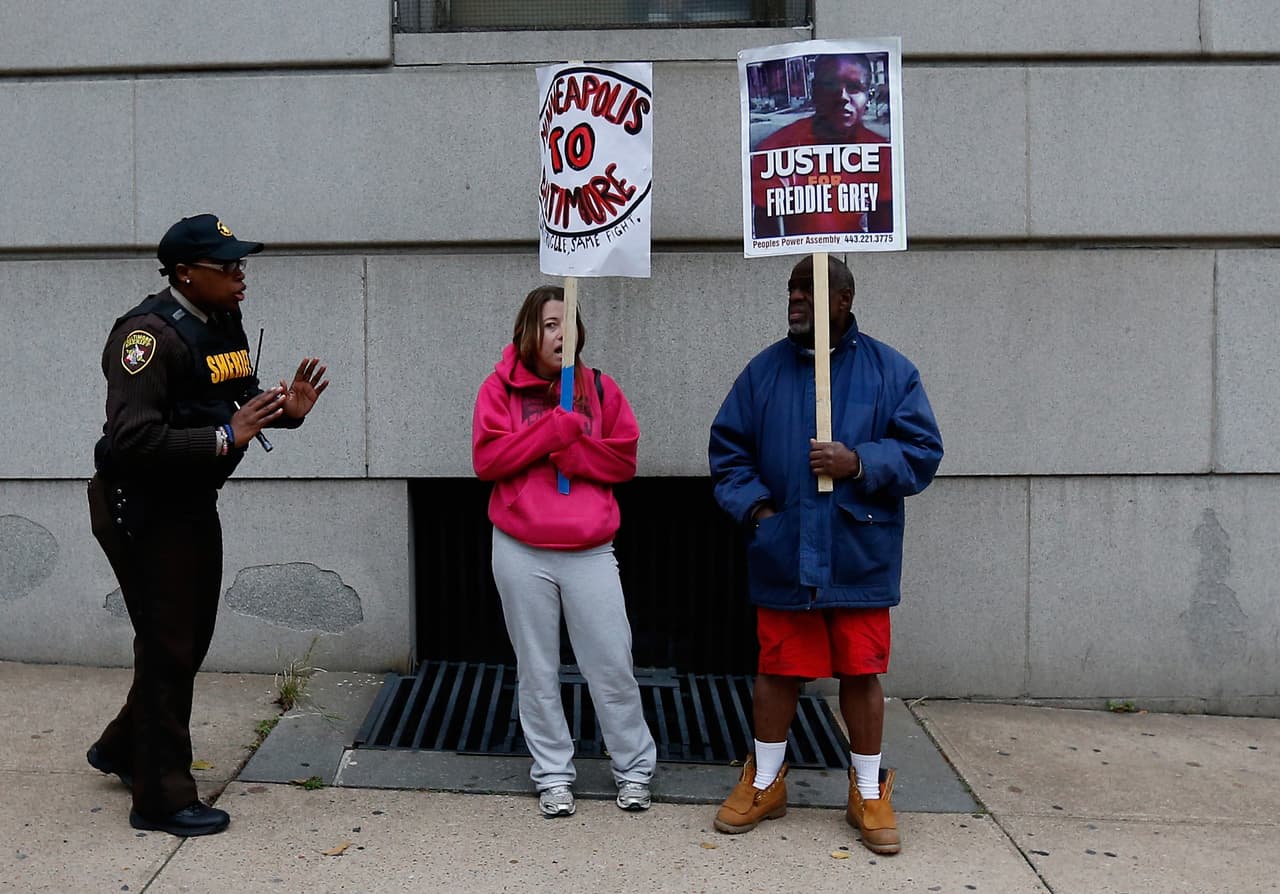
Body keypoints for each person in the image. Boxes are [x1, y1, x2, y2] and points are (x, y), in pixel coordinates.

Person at [86, 213, 329, 837]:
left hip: (190, 503)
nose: (241, 277)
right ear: (186, 274)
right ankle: (160, 798)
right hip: (140, 507)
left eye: (241, 264)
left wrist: (285, 414)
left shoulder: (220, 323)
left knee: (186, 640)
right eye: (228, 268)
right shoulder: (145, 338)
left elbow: (235, 408)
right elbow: (133, 438)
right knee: (168, 644)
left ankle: (123, 748)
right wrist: (225, 436)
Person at [707, 255, 942, 854]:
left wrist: (858, 462)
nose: (795, 299)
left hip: (858, 552)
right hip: (785, 551)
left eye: (807, 289)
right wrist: (761, 514)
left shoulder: (891, 372)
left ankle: (867, 789)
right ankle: (765, 781)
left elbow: (922, 452)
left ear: (844, 298)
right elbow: (728, 453)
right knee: (778, 669)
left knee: (861, 671)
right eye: (790, 289)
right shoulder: (762, 373)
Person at [472, 285, 657, 818]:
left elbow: (623, 461)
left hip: (591, 550)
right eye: (551, 324)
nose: (561, 335)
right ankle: (552, 774)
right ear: (529, 330)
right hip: (520, 550)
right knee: (537, 670)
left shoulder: (600, 388)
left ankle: (634, 769)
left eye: (569, 324)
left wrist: (575, 452)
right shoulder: (497, 389)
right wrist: (552, 431)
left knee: (612, 662)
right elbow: (488, 459)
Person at [751, 53, 893, 237]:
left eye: (854, 87)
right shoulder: (774, 151)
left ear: (868, 95)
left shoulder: (883, 153)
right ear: (815, 91)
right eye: (830, 85)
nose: (842, 96)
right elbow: (768, 241)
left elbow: (882, 238)